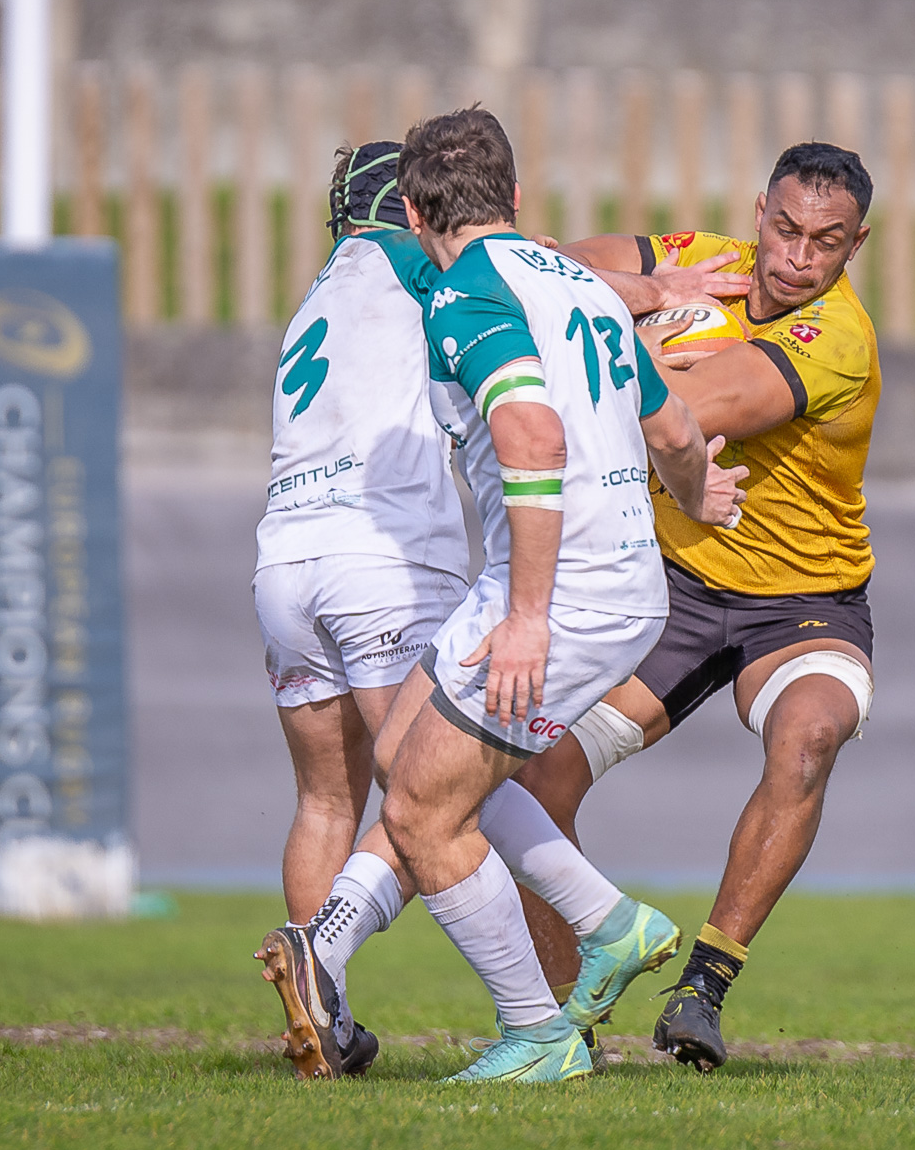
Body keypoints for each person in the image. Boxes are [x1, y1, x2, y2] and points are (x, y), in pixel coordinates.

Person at [256, 107, 746, 1084]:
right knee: (405, 769)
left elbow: (530, 441)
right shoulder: (567, 283)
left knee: (426, 811)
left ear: (412, 210)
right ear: (518, 199)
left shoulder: (453, 293)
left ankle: (537, 1033)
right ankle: (609, 923)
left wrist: (526, 617)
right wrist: (701, 495)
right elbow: (678, 430)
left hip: (548, 586)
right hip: (577, 577)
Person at [512, 142, 880, 1072]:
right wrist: (648, 286)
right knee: (537, 773)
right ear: (759, 213)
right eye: (787, 231)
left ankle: (705, 984)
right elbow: (555, 261)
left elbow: (690, 407)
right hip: (673, 593)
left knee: (806, 736)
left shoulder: (834, 338)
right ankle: (567, 1024)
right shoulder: (701, 259)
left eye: (825, 243)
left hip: (804, 603)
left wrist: (618, 334)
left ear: (856, 245)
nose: (798, 259)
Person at [252, 142, 465, 931]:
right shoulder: (414, 259)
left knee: (323, 801)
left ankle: (312, 1008)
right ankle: (326, 957)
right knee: (434, 792)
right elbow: (525, 277)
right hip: (382, 557)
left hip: (285, 564)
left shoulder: (319, 293)